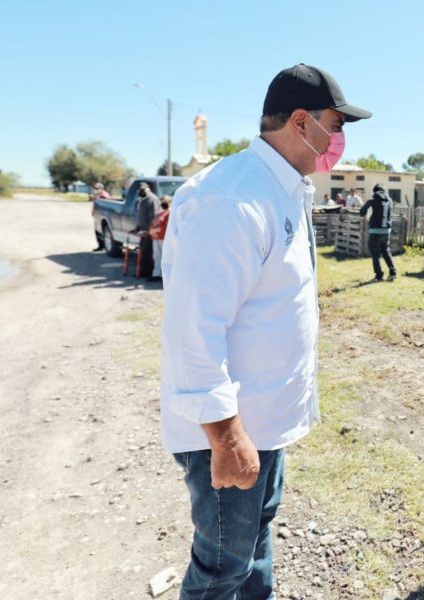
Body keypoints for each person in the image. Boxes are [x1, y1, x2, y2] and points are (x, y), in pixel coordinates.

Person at [160, 63, 371, 600]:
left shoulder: (282, 189)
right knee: (221, 569)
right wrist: (227, 437)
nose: (340, 139)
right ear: (301, 122)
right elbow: (194, 330)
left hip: (263, 423)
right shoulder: (232, 198)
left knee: (253, 551)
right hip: (229, 431)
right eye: (335, 124)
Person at [359, 183, 396, 281]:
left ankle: (379, 275)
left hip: (375, 230)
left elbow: (362, 212)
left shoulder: (372, 200)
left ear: (375, 191)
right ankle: (393, 272)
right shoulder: (390, 201)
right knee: (386, 251)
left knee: (375, 253)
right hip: (386, 231)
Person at [133, 182, 158, 278]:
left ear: (148, 189)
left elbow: (154, 217)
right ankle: (143, 272)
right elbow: (140, 216)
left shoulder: (152, 199)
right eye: (139, 190)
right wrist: (138, 227)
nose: (141, 192)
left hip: (150, 232)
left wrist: (150, 230)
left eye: (143, 190)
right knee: (143, 252)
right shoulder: (141, 200)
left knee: (149, 253)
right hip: (143, 230)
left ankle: (150, 273)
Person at [147, 196, 170, 283]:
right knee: (159, 256)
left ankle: (160, 275)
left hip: (160, 237)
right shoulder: (163, 213)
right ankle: (158, 275)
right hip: (159, 237)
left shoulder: (165, 213)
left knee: (160, 256)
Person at [91, 183, 111, 250]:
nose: (95, 190)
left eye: (97, 188)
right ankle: (101, 245)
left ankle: (104, 245)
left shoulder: (104, 196)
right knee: (97, 231)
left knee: (102, 230)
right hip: (98, 215)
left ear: (101, 189)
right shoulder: (97, 195)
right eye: (95, 188)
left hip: (103, 215)